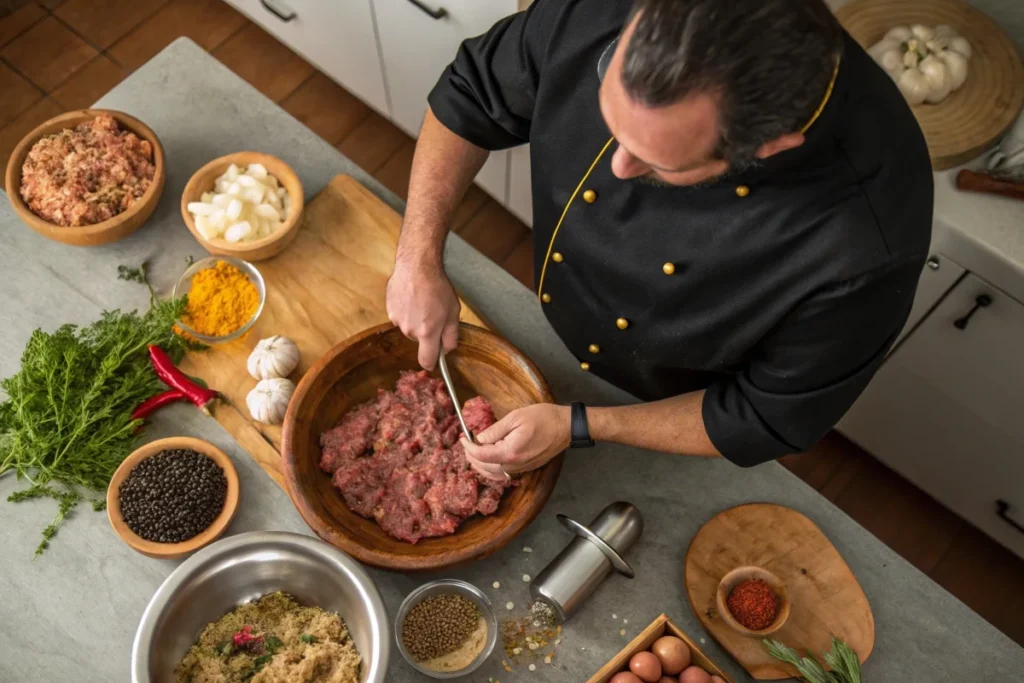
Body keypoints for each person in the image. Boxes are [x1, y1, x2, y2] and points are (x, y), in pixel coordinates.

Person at [385, 0, 933, 478]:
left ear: (766, 147)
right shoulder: (606, 8)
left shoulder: (864, 245)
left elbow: (761, 417)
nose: (618, 166)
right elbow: (472, 92)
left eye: (655, 161)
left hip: (664, 406)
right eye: (611, 121)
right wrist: (417, 258)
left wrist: (580, 425)